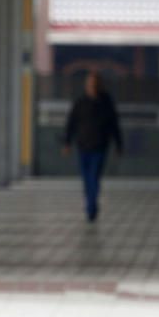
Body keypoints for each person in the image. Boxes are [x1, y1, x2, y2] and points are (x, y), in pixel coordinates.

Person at [62, 71, 123, 222]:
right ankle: (91, 203)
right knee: (86, 178)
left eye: (95, 84)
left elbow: (114, 124)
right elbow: (71, 123)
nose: (92, 87)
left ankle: (91, 206)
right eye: (90, 84)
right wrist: (67, 142)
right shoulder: (80, 103)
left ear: (100, 85)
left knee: (94, 177)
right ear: (86, 86)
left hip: (100, 146)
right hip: (83, 146)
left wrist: (118, 144)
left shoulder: (106, 103)